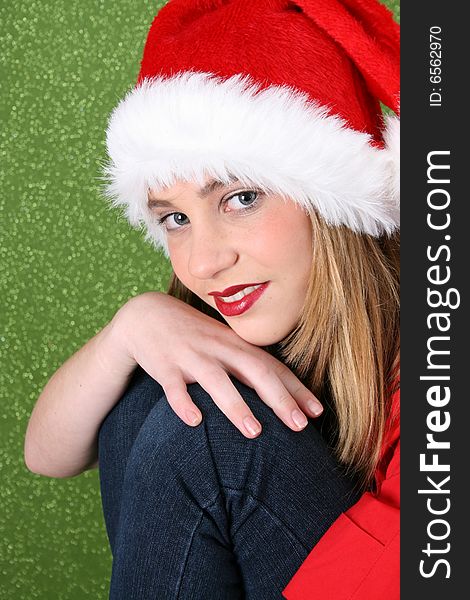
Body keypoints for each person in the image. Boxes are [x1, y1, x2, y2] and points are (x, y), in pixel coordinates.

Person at [24, 0, 400, 598]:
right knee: (150, 387)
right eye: (175, 218)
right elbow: (47, 454)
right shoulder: (232, 313)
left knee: (206, 430)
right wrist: (130, 328)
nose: (204, 261)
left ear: (333, 201)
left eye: (242, 198)